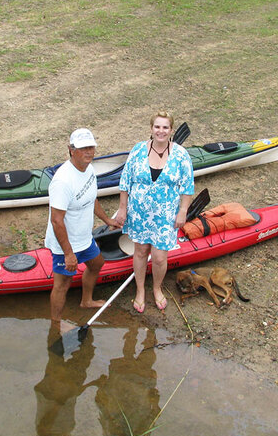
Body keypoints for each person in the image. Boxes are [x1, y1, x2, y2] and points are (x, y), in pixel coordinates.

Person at [115, 111, 194, 313]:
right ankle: (140, 290)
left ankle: (156, 288)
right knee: (140, 252)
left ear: (171, 130)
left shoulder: (180, 155)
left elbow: (187, 186)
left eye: (165, 127)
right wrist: (122, 209)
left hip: (165, 215)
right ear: (151, 129)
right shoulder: (138, 150)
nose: (161, 131)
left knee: (159, 257)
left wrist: (183, 211)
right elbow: (125, 181)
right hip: (139, 213)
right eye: (157, 127)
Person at [45, 128, 120, 325]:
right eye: (83, 148)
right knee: (63, 284)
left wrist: (107, 220)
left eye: (91, 147)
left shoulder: (89, 170)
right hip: (65, 243)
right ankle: (56, 324)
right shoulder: (62, 181)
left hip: (84, 238)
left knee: (97, 264)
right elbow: (56, 221)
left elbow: (91, 198)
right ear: (71, 150)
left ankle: (86, 301)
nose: (88, 152)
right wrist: (68, 254)